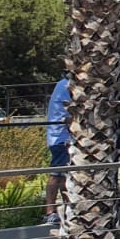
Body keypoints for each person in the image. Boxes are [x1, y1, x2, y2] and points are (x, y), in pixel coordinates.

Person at [44, 76, 71, 228]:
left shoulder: (62, 84)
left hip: (58, 136)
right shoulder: (68, 86)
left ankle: (65, 209)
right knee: (56, 174)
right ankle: (50, 212)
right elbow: (69, 115)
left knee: (64, 176)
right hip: (61, 137)